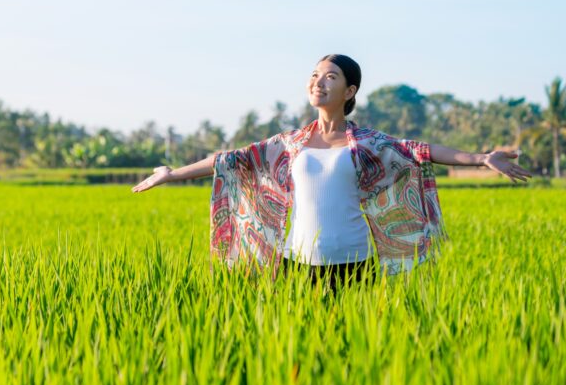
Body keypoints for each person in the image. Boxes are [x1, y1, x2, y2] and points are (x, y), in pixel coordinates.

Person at [132, 54, 533, 291]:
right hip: (296, 264)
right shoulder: (290, 143)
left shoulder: (369, 144)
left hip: (354, 265)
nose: (318, 81)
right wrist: (171, 173)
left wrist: (481, 158)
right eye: (314, 75)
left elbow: (422, 151)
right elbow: (228, 160)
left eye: (330, 76)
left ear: (350, 91)